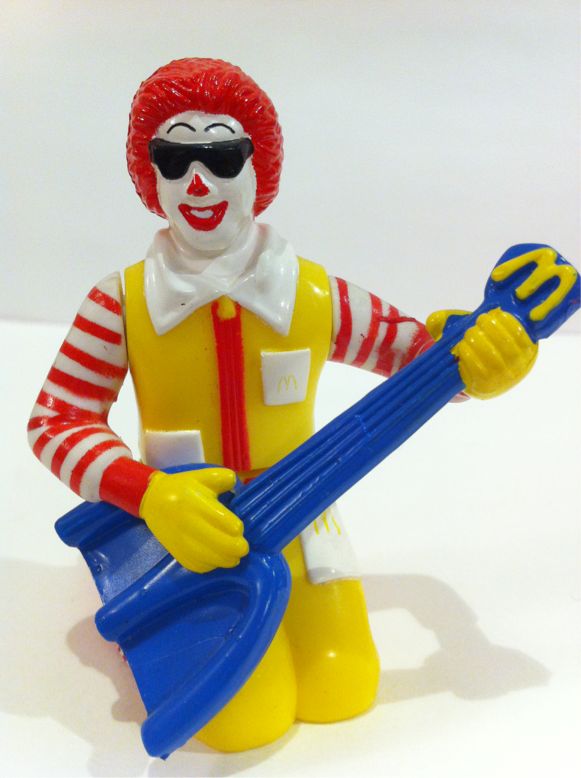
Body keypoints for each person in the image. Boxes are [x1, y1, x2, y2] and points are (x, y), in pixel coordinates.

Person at [27, 58, 538, 752]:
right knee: (245, 718)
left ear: (257, 169)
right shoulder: (119, 303)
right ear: (150, 176)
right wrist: (149, 494)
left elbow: (418, 356)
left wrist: (482, 361)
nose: (198, 184)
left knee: (341, 683)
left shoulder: (316, 295)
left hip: (305, 519)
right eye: (175, 160)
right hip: (186, 539)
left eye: (221, 157)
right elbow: (56, 419)